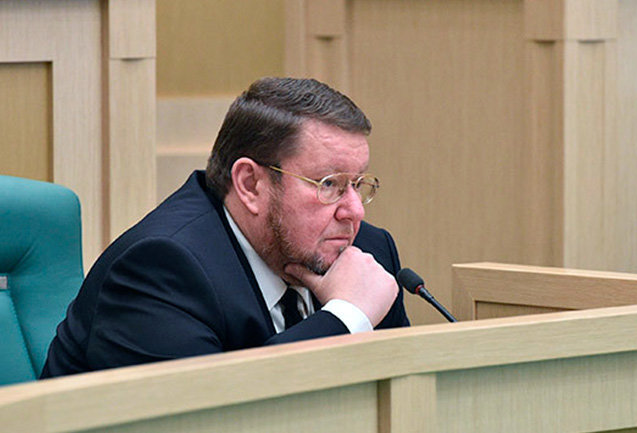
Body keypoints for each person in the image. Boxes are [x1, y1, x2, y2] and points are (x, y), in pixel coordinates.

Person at [41, 77, 410, 378]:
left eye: (358, 184)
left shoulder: (366, 256)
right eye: (329, 184)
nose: (354, 212)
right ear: (250, 184)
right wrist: (346, 317)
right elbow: (206, 418)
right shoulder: (159, 269)